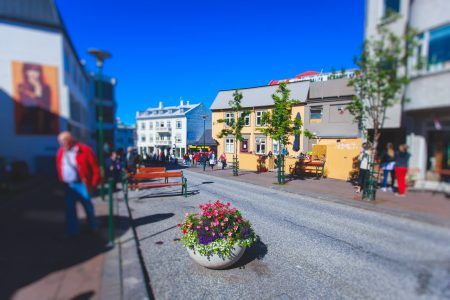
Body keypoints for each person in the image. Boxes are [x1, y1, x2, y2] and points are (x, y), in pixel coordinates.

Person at [56, 131, 100, 236]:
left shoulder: (84, 150)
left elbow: (95, 168)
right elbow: (59, 166)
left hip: (82, 184)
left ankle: (93, 225)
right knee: (70, 209)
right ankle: (72, 231)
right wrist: (61, 180)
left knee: (87, 206)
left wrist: (93, 184)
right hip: (68, 185)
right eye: (60, 142)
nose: (62, 144)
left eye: (64, 142)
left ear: (70, 140)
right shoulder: (61, 151)